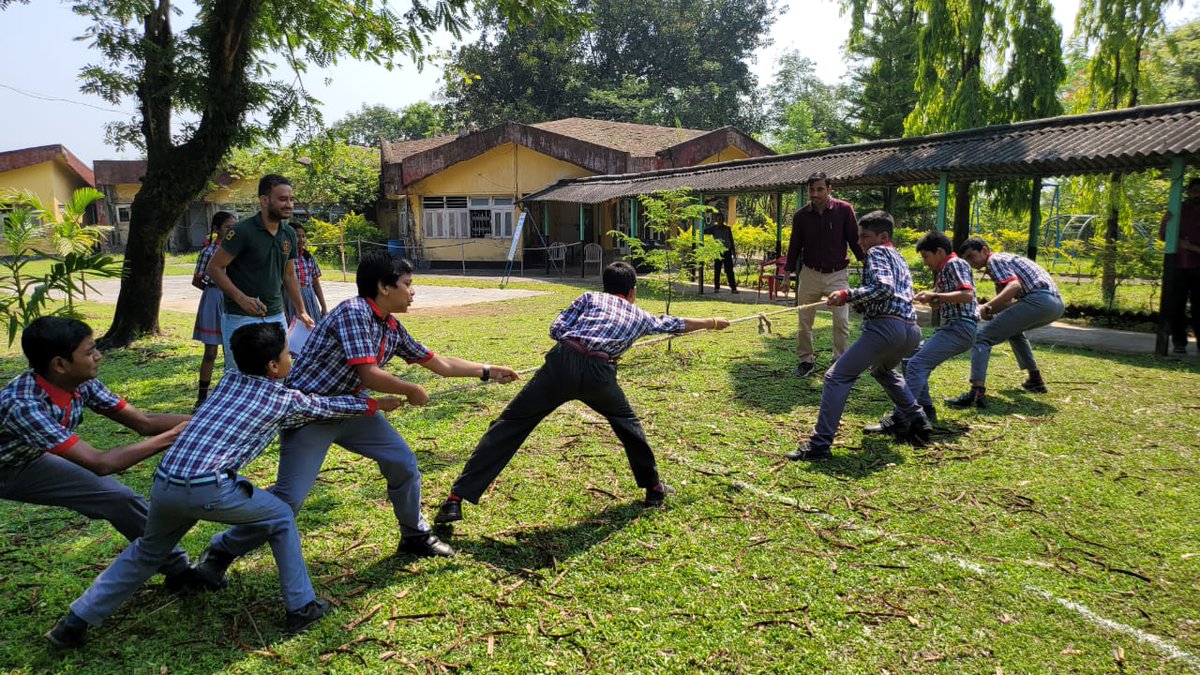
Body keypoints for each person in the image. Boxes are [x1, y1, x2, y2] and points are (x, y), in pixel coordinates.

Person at [45, 323, 405, 648]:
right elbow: (325, 407)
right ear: (273, 367)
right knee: (281, 515)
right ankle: (302, 606)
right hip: (208, 486)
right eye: (286, 353)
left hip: (167, 480)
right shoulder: (283, 399)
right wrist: (374, 402)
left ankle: (75, 622)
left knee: (148, 549)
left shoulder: (230, 379)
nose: (291, 356)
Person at [193, 252, 520, 586]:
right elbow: (369, 372)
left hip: (354, 409)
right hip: (311, 412)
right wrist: (410, 389)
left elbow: (440, 363)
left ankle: (414, 535)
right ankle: (222, 550)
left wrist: (487, 371)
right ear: (383, 286)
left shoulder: (390, 327)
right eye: (407, 284)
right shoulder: (354, 312)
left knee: (403, 463)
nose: (412, 292)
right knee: (290, 499)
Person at [434, 261, 731, 525]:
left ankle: (455, 500)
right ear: (633, 291)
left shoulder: (589, 297)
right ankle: (654, 489)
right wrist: (713, 323)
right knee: (628, 424)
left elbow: (556, 328)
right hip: (600, 375)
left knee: (511, 425)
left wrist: (577, 347)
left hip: (561, 364)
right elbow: (676, 325)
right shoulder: (641, 315)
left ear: (606, 285)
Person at [0, 317, 195, 589]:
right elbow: (101, 463)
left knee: (120, 499)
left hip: (29, 457)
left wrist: (208, 420)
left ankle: (179, 570)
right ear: (60, 364)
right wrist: (174, 436)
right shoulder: (22, 405)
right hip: (7, 470)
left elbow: (144, 422)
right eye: (89, 351)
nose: (98, 356)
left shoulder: (80, 382)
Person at [786, 211, 931, 461]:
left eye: (865, 237)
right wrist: (860, 303)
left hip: (887, 328)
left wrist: (846, 295)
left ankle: (819, 445)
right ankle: (917, 419)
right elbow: (892, 291)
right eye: (859, 238)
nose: (860, 243)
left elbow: (884, 289)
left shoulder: (877, 252)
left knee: (836, 377)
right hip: (910, 331)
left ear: (882, 236)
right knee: (882, 371)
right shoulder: (899, 257)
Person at [865, 231, 978, 435]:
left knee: (917, 364)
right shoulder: (944, 270)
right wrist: (935, 300)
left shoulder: (955, 264)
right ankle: (926, 409)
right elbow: (951, 299)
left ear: (940, 251)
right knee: (910, 359)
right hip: (952, 326)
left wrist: (935, 295)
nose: (925, 262)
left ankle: (900, 417)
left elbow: (967, 295)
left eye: (926, 256)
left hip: (960, 327)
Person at [206, 174, 313, 372]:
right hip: (240, 316)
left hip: (275, 315)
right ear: (264, 200)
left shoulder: (289, 233)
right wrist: (242, 299)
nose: (289, 204)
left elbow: (289, 275)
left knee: (279, 372)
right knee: (239, 374)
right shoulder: (241, 231)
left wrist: (302, 310)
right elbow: (214, 268)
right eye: (282, 199)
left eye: (291, 199)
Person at [946, 237, 1065, 409]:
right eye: (967, 260)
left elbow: (1014, 287)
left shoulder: (995, 260)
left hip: (1038, 299)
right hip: (1055, 304)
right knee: (1013, 331)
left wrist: (986, 307)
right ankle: (1035, 379)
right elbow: (1007, 305)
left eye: (972, 256)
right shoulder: (1005, 261)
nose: (971, 262)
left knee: (981, 338)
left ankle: (976, 391)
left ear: (985, 250)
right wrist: (990, 310)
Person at [784, 171, 865, 377]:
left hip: (837, 275)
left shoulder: (844, 210)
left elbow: (855, 242)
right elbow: (795, 246)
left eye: (820, 189)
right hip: (809, 274)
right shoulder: (801, 216)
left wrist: (868, 264)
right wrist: (786, 275)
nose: (815, 194)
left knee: (841, 321)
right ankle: (805, 361)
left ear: (829, 189)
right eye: (811, 190)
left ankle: (840, 362)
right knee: (804, 322)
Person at [192, 211, 236, 406]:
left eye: (234, 227)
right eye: (227, 227)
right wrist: (213, 291)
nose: (231, 230)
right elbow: (197, 279)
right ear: (217, 229)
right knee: (211, 350)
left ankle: (229, 393)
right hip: (212, 297)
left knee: (232, 349)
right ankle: (202, 395)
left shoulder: (237, 250)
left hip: (232, 298)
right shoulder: (208, 252)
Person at [1160, 178, 1200, 354]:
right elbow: (1164, 237)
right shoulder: (1180, 209)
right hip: (1179, 266)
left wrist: (1190, 247)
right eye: (1193, 191)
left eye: (1198, 191)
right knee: (1176, 306)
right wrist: (1164, 221)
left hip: (1198, 266)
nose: (1195, 195)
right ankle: (1179, 342)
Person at [284, 222, 328, 328]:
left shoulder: (308, 257)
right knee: (296, 329)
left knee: (312, 328)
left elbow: (316, 283)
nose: (301, 240)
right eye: (297, 236)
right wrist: (283, 310)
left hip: (309, 296)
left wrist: (324, 306)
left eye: (303, 236)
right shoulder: (285, 259)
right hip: (291, 299)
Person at [708, 216, 739, 294]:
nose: (720, 221)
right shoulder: (714, 228)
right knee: (717, 270)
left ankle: (733, 287)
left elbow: (731, 240)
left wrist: (734, 251)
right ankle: (716, 287)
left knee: (729, 270)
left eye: (721, 219)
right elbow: (704, 231)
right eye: (718, 220)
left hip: (727, 251)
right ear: (716, 220)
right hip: (718, 251)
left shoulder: (727, 228)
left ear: (723, 220)